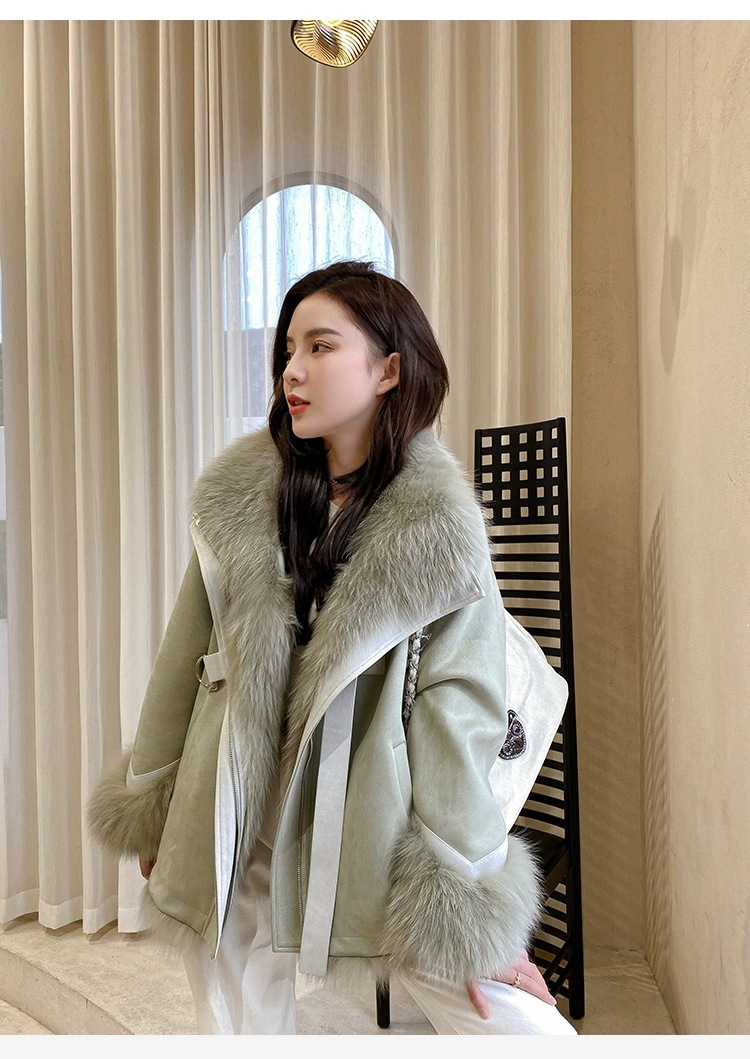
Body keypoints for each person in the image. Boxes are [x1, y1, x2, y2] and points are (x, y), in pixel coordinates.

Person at [88, 260, 577, 1036]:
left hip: (367, 809)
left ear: (389, 369)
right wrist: (156, 808)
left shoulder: (440, 534)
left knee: (507, 1020)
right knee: (236, 1019)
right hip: (234, 799)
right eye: (288, 350)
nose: (293, 370)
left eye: (320, 346)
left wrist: (472, 896)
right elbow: (183, 662)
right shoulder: (241, 500)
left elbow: (460, 717)